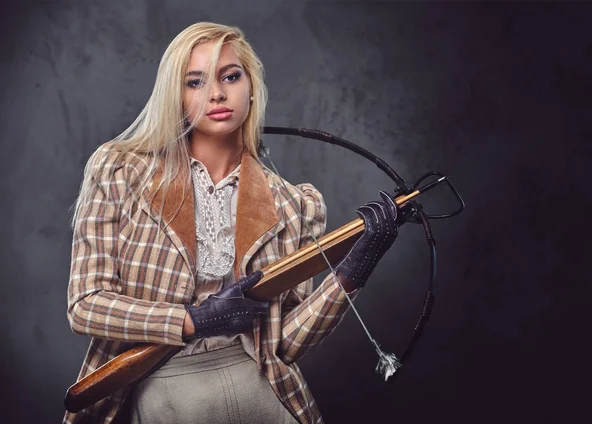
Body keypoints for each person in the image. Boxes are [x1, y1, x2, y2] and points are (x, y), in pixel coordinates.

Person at [64, 22, 401, 424]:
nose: (217, 93)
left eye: (230, 76)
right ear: (176, 95)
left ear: (251, 86)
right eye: (195, 82)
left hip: (263, 396)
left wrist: (353, 270)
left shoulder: (295, 205)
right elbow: (86, 305)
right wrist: (195, 320)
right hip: (163, 395)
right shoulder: (120, 171)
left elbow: (284, 346)